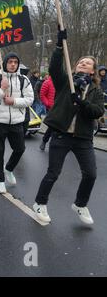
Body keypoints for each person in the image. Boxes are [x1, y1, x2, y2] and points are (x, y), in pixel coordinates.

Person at [33, 28, 104, 225]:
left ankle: (80, 204)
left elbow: (97, 112)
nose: (83, 63)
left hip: (82, 138)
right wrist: (58, 45)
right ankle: (40, 203)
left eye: (87, 63)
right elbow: (55, 68)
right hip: (61, 135)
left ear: (93, 70)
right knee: (53, 173)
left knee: (90, 174)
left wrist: (81, 103)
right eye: (81, 61)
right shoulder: (67, 81)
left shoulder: (96, 90)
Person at [0, 53, 34, 194]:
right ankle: (0, 181)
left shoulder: (23, 79)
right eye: (10, 62)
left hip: (17, 121)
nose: (13, 64)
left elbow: (30, 99)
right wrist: (1, 90)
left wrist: (13, 101)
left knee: (20, 149)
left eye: (15, 62)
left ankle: (9, 169)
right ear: (5, 63)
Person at [39, 77, 56, 151]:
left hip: (60, 107)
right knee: (52, 126)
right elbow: (42, 95)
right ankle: (44, 141)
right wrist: (48, 104)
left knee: (57, 127)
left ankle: (55, 144)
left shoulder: (61, 82)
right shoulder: (47, 82)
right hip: (51, 108)